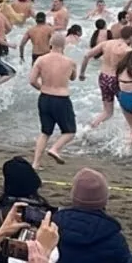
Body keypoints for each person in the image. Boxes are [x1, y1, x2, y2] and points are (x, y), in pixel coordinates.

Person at [28, 33, 77, 168]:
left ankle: (36, 163)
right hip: (61, 99)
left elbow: (32, 80)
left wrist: (42, 88)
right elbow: (73, 77)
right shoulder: (70, 62)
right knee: (70, 131)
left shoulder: (40, 60)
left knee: (45, 132)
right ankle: (55, 148)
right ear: (64, 45)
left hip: (44, 98)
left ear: (50, 44)